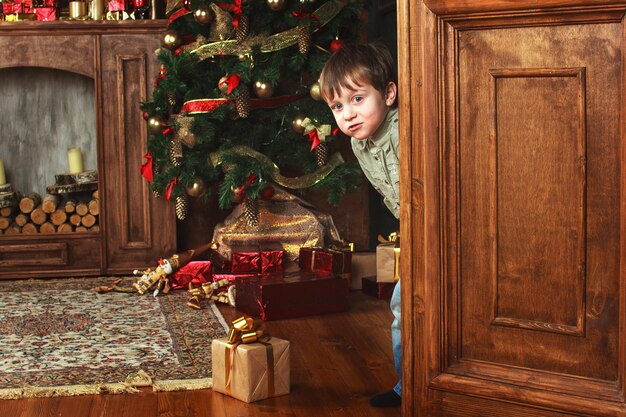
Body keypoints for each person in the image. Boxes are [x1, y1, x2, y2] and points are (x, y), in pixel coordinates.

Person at [319, 42, 401, 408]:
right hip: (414, 229)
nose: (348, 115)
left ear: (388, 94)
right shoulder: (359, 144)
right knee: (403, 311)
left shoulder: (402, 130)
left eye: (357, 99)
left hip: (444, 226)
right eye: (337, 106)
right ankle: (408, 384)